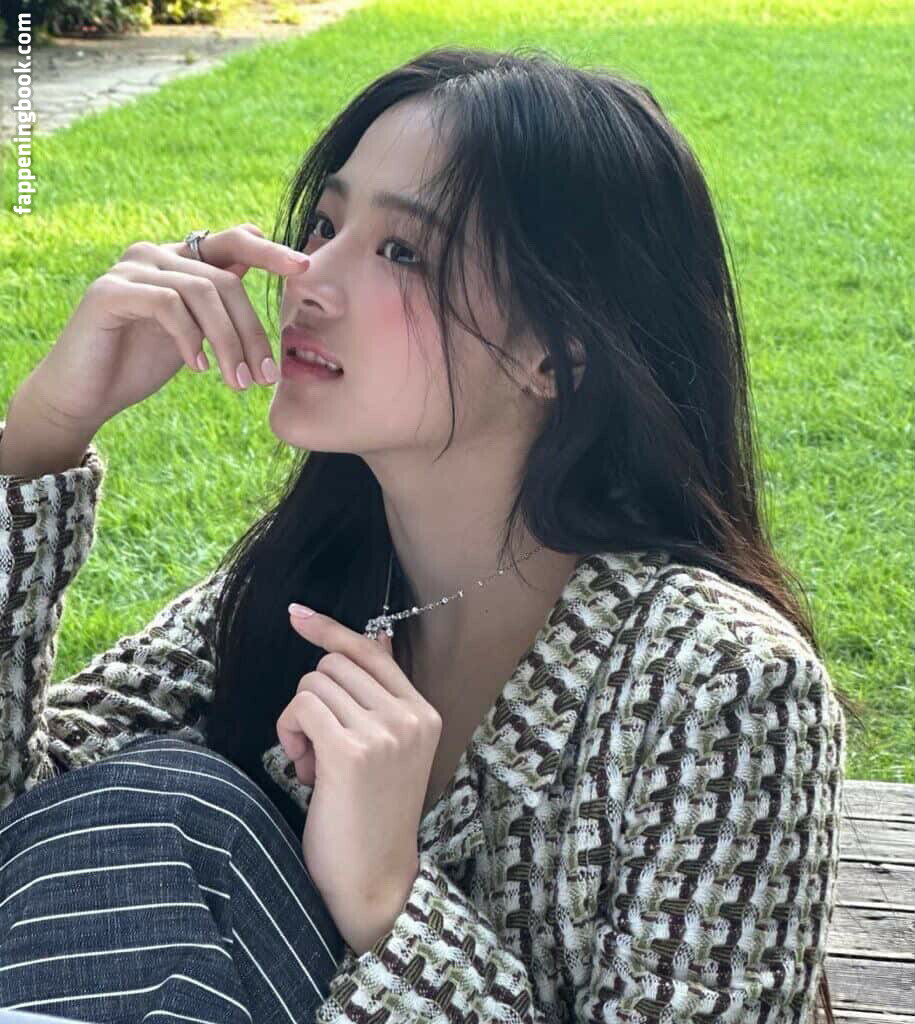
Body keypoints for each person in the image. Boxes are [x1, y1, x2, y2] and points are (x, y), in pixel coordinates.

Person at [0, 45, 856, 1024]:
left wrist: (387, 898)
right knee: (164, 808)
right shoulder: (309, 583)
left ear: (558, 353)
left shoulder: (723, 687)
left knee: (182, 814)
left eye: (402, 252)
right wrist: (43, 432)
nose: (308, 279)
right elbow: (36, 837)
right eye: (326, 226)